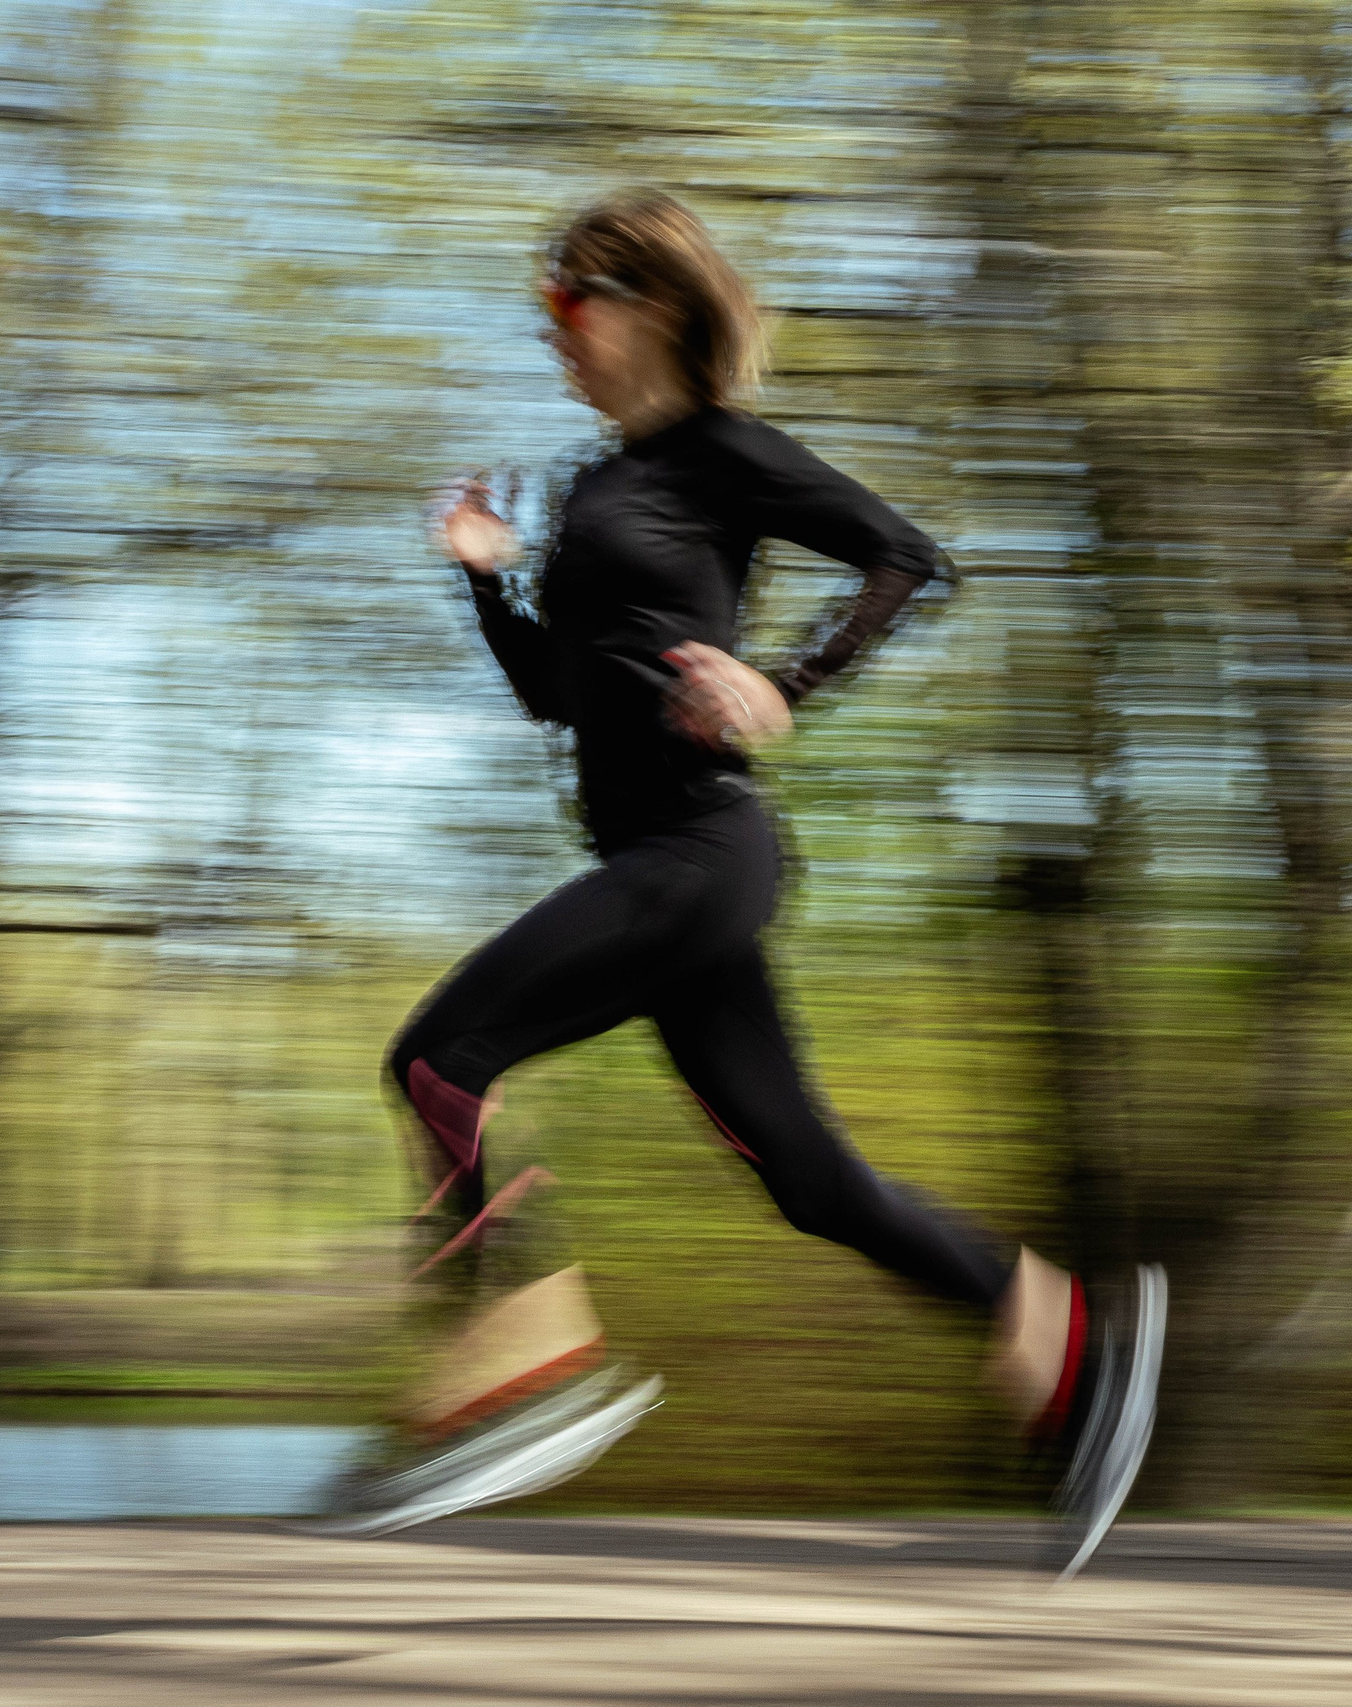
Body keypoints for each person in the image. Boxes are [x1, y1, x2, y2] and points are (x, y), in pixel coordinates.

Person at [332, 190, 1164, 1579]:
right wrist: (484, 581)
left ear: (650, 304)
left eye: (568, 304)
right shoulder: (593, 487)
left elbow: (906, 555)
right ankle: (1077, 1353)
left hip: (698, 853)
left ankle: (518, 1377)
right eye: (544, 312)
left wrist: (788, 682)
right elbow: (556, 696)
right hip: (652, 866)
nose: (553, 334)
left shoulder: (724, 453)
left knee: (437, 1060)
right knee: (816, 1186)